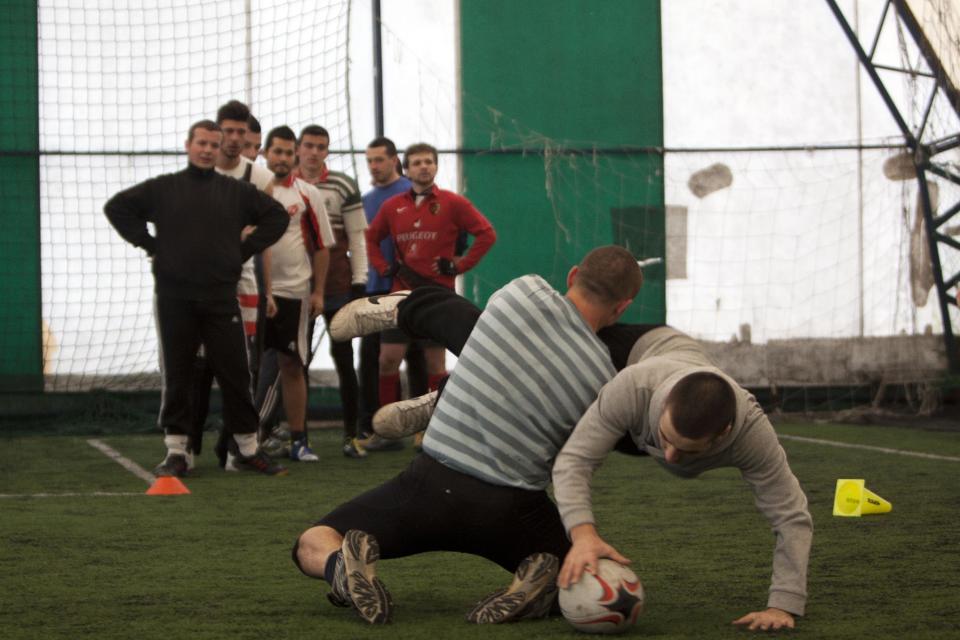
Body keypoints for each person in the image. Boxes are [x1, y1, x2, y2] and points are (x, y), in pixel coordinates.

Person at [292, 246, 642, 625]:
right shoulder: (603, 379)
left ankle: (339, 568)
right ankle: (547, 585)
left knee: (313, 540)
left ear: (573, 275)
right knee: (586, 572)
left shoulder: (523, 292)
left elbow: (473, 333)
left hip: (428, 484)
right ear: (623, 307)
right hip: (510, 508)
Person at [551, 327, 813, 631]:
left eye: (686, 449)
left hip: (669, 379)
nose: (671, 455)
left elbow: (791, 516)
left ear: (723, 435)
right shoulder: (633, 387)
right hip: (634, 348)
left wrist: (783, 604)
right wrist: (583, 535)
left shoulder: (751, 434)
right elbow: (574, 460)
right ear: (664, 406)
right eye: (666, 438)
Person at [103, 119, 288, 476]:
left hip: (221, 297)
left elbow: (276, 217)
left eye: (212, 144)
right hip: (174, 297)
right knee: (178, 373)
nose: (206, 149)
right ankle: (178, 453)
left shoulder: (235, 192)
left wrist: (243, 250)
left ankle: (248, 450)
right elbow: (117, 208)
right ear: (188, 145)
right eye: (200, 142)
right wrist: (151, 245)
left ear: (218, 149)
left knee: (235, 371)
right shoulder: (164, 189)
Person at [365, 142, 497, 448]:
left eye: (429, 161)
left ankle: (431, 431)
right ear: (406, 169)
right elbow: (371, 239)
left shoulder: (453, 203)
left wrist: (461, 264)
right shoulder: (392, 206)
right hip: (400, 297)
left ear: (436, 167)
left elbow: (487, 234)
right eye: (417, 162)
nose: (424, 166)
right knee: (387, 361)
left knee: (435, 365)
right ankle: (389, 431)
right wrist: (383, 266)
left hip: (438, 296)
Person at [190, 100, 274, 466]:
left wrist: (267, 290)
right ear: (217, 132)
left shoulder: (259, 178)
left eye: (243, 132)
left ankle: (234, 449)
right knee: (197, 368)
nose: (236, 138)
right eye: (230, 131)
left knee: (240, 369)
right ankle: (188, 449)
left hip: (243, 283)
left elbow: (266, 236)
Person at [256, 125, 335, 463]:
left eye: (289, 153)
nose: (284, 158)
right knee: (247, 366)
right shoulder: (251, 192)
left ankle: (299, 440)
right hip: (252, 294)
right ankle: (246, 439)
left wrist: (318, 292)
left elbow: (322, 247)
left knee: (292, 365)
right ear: (265, 154)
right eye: (278, 152)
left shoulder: (307, 194)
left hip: (295, 294)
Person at [291, 125, 370, 458]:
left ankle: (351, 435)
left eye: (320, 146)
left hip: (338, 288)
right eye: (308, 145)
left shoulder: (342, 185)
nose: (313, 152)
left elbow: (357, 237)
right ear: (298, 148)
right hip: (294, 289)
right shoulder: (282, 184)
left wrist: (359, 281)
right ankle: (298, 438)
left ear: (326, 151)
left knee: (343, 359)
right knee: (296, 363)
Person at [356, 137, 428, 452]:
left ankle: (422, 428)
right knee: (375, 359)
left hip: (413, 290)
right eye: (369, 160)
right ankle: (382, 427)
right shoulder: (366, 200)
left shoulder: (412, 194)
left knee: (419, 358)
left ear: (394, 160)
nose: (374, 165)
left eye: (379, 160)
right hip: (375, 290)